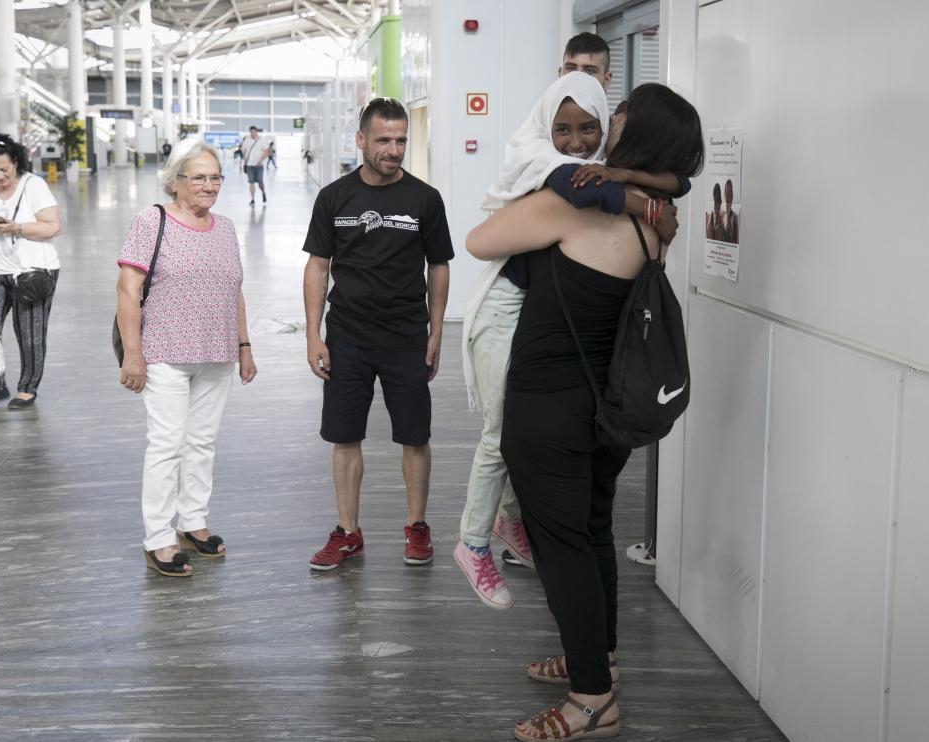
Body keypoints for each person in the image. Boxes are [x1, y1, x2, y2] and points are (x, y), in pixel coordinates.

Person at [467, 83, 705, 741]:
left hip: (548, 409)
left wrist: (568, 187)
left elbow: (482, 239)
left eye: (620, 115)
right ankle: (597, 659)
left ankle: (591, 702)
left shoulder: (571, 204)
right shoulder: (652, 217)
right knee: (592, 531)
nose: (609, 120)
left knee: (561, 546)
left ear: (637, 135)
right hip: (608, 409)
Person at [458, 66, 686, 609]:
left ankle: (510, 524)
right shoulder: (550, 162)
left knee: (521, 447)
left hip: (564, 374)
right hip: (504, 307)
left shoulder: (600, 174)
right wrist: (640, 202)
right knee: (498, 431)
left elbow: (678, 182)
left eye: (592, 128)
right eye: (565, 129)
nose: (577, 141)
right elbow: (498, 230)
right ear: (547, 124)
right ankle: (472, 541)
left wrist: (628, 186)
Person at [302, 97, 453, 572]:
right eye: (384, 139)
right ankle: (348, 533)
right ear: (361, 140)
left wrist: (436, 331)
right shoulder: (334, 197)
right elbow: (317, 266)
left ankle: (416, 526)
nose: (394, 149)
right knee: (344, 437)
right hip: (347, 336)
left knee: (415, 436)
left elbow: (439, 266)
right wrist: (312, 334)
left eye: (401, 139)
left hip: (407, 335)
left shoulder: (425, 199)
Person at [115, 138, 257, 578]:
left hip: (216, 354)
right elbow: (128, 290)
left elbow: (233, 290)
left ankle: (192, 521)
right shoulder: (151, 220)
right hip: (165, 353)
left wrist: (244, 346)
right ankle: (158, 536)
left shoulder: (227, 227)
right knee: (167, 443)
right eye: (198, 177)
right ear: (176, 182)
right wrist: (133, 356)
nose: (209, 185)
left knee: (202, 442)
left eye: (215, 177)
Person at [0, 133, 62, 412]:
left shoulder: (34, 185)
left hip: (32, 270)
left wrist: (17, 227)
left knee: (29, 332)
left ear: (16, 161)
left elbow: (52, 226)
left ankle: (27, 389)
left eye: (4, 169)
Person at [240, 125, 270, 205]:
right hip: (250, 165)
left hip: (259, 165)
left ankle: (263, 192)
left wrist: (260, 160)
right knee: (251, 182)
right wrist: (245, 160)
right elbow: (244, 151)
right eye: (251, 132)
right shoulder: (247, 140)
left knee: (260, 182)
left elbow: (267, 152)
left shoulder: (262, 140)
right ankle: (252, 199)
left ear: (256, 132)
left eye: (254, 132)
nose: (252, 133)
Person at [723, 178, 739, 243]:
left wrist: (729, 224)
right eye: (727, 195)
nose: (728, 199)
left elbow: (736, 244)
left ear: (732, 198)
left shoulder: (735, 217)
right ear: (724, 195)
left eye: (730, 196)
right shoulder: (722, 214)